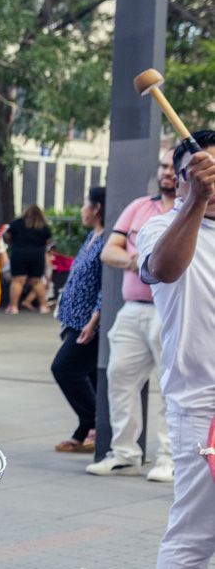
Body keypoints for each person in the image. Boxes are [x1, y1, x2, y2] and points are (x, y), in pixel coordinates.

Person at [138, 132, 215, 569]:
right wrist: (194, 202)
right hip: (202, 406)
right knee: (196, 533)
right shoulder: (161, 225)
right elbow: (162, 271)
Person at [91, 151, 178, 481]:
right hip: (134, 310)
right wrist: (139, 262)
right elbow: (109, 250)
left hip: (169, 311)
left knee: (171, 386)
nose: (167, 172)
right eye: (163, 166)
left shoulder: (191, 212)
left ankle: (169, 458)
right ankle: (125, 454)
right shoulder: (139, 207)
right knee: (120, 377)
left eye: (173, 167)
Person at [50, 186, 108, 454]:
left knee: (64, 368)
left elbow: (107, 286)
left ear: (96, 208)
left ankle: (95, 423)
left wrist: (94, 320)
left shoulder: (108, 239)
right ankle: (88, 431)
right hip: (73, 319)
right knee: (88, 375)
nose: (82, 210)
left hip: (89, 323)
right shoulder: (93, 235)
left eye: (85, 204)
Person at [4, 205, 53, 314]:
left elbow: (8, 236)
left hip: (19, 252)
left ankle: (13, 307)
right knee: (36, 281)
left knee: (18, 280)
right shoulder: (44, 226)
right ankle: (44, 306)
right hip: (37, 254)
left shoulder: (17, 223)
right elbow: (48, 241)